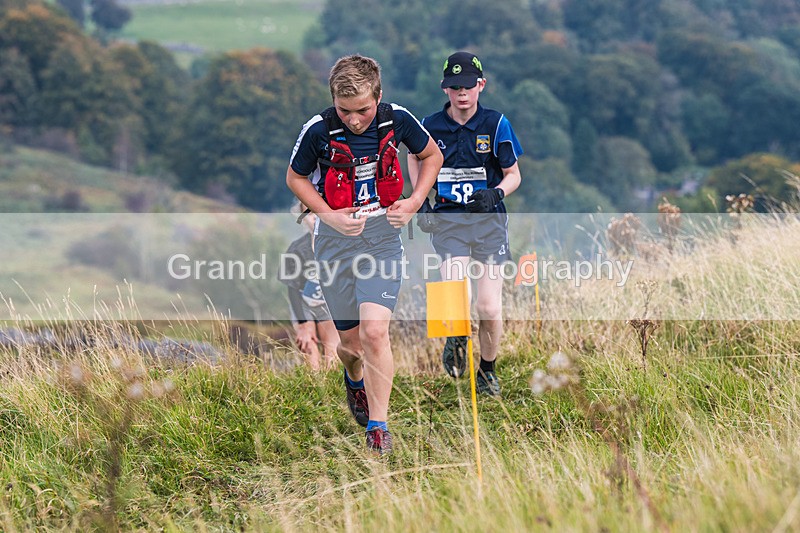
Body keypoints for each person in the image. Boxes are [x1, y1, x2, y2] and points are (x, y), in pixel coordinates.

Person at [286, 54, 443, 454]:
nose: (354, 120)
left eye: (363, 110)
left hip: (382, 238)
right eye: (345, 111)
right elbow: (295, 178)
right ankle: (353, 378)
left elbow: (432, 156)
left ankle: (378, 427)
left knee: (375, 332)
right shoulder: (317, 130)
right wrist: (328, 217)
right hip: (334, 245)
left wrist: (414, 202)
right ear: (333, 101)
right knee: (351, 346)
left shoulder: (397, 119)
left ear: (378, 95)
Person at [409, 51, 523, 397]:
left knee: (488, 307)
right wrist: (420, 200)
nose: (462, 92)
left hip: (488, 222)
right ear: (445, 88)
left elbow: (514, 174)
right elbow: (413, 157)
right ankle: (455, 334)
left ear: (481, 85)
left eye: (468, 86)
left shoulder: (496, 123)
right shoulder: (429, 125)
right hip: (449, 220)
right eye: (455, 86)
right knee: (455, 288)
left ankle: (487, 369)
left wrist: (496, 193)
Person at [279, 202, 339, 371]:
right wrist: (303, 325)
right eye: (309, 214)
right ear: (303, 219)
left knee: (333, 352)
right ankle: (315, 382)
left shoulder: (337, 247)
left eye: (317, 212)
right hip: (303, 304)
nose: (314, 218)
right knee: (308, 348)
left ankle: (333, 383)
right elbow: (292, 289)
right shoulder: (296, 249)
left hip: (328, 304)